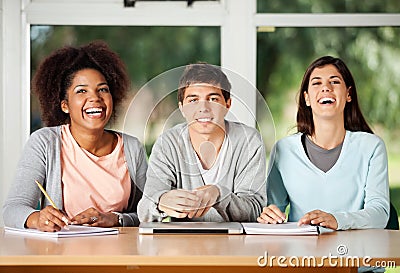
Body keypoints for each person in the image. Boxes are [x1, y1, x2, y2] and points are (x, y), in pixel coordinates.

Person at [3, 41, 147, 231]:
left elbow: (147, 213)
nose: (95, 97)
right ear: (65, 105)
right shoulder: (45, 142)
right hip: (62, 255)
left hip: (119, 255)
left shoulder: (131, 147)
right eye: (81, 91)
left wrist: (116, 219)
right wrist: (36, 218)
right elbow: (12, 209)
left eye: (103, 89)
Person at [257, 56, 390, 231]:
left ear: (348, 94)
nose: (326, 88)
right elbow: (274, 211)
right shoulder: (283, 150)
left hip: (355, 254)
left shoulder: (371, 147)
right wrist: (270, 215)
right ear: (307, 98)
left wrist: (337, 220)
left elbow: (380, 214)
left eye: (334, 82)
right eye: (317, 83)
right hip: (299, 255)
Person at [138, 63, 266, 222]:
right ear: (182, 108)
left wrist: (219, 194)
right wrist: (160, 202)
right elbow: (144, 210)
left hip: (235, 241)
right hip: (183, 242)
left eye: (213, 99)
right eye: (193, 100)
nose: (203, 108)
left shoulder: (248, 141)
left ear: (227, 105)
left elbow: (255, 210)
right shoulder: (168, 143)